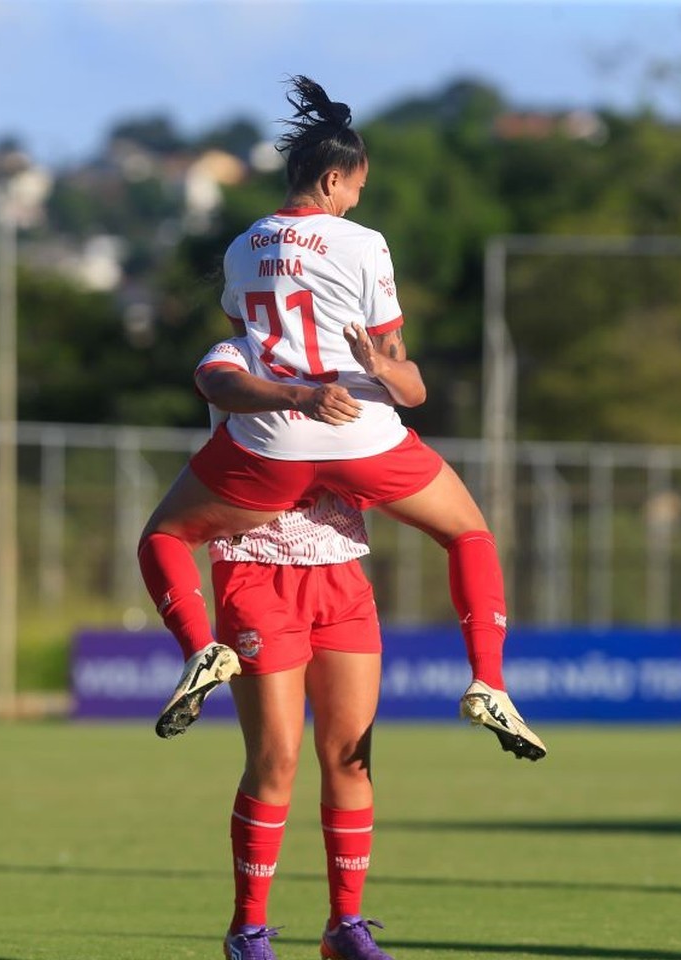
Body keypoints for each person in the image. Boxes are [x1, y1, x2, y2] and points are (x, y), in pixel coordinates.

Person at [138, 75, 545, 762]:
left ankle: (200, 647)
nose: (359, 196)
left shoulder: (242, 248)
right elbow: (397, 366)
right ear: (333, 180)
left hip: (269, 446)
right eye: (357, 184)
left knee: (164, 538)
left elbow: (244, 348)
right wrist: (377, 366)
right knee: (469, 534)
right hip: (359, 431)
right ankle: (489, 681)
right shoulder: (362, 243)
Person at [195, 336, 396, 960]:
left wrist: (384, 368)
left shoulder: (345, 349)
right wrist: (303, 396)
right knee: (276, 759)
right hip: (256, 566)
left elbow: (400, 408)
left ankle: (345, 928)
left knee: (351, 758)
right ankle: (247, 931)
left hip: (341, 570)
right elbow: (218, 385)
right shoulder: (235, 351)